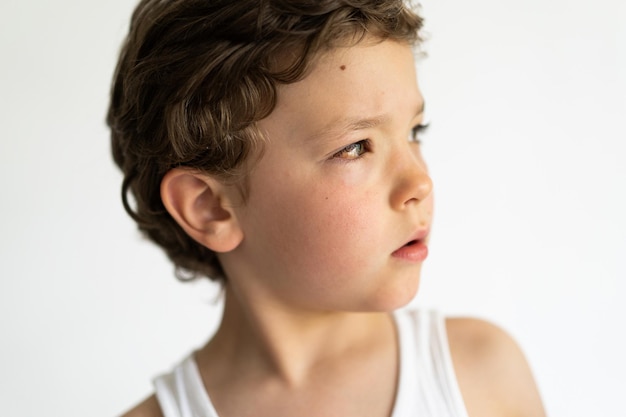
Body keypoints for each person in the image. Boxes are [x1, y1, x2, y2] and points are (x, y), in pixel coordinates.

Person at [108, 1, 546, 416]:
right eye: (356, 147)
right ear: (210, 208)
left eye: (416, 130)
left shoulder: (481, 375)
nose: (420, 182)